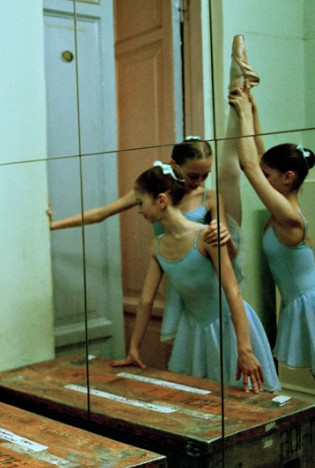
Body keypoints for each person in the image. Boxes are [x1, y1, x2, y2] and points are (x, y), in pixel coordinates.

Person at [231, 86, 315, 468]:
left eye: (270, 175)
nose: (263, 176)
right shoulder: (288, 205)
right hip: (308, 306)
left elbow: (247, 164)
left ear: (287, 178)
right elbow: (259, 160)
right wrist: (254, 107)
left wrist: (240, 110)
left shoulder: (289, 217)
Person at [110, 164, 280, 393]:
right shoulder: (157, 246)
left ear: (161, 200)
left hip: (229, 327)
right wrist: (133, 349)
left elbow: (232, 291)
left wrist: (245, 349)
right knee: (197, 397)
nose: (138, 210)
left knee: (241, 396)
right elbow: (145, 301)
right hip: (193, 330)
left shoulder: (205, 237)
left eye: (141, 203)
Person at [49, 138, 235, 344]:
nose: (199, 181)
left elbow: (229, 251)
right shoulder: (153, 191)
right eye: (193, 175)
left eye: (206, 175)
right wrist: (53, 226)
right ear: (175, 165)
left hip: (202, 282)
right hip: (174, 276)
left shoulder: (210, 198)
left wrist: (224, 235)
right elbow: (101, 213)